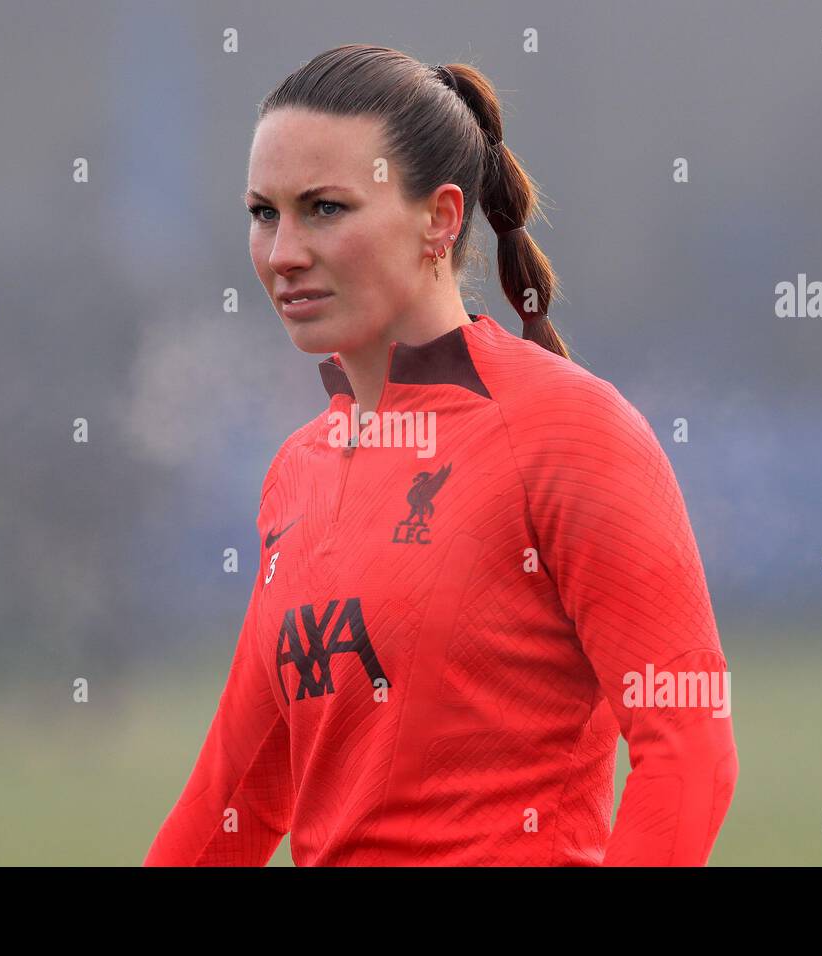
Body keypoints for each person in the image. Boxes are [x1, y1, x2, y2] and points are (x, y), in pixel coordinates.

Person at [143, 44, 738, 866]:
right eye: (262, 213)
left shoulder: (570, 432)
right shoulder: (296, 474)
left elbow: (689, 752)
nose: (282, 251)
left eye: (324, 208)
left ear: (441, 218)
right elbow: (234, 799)